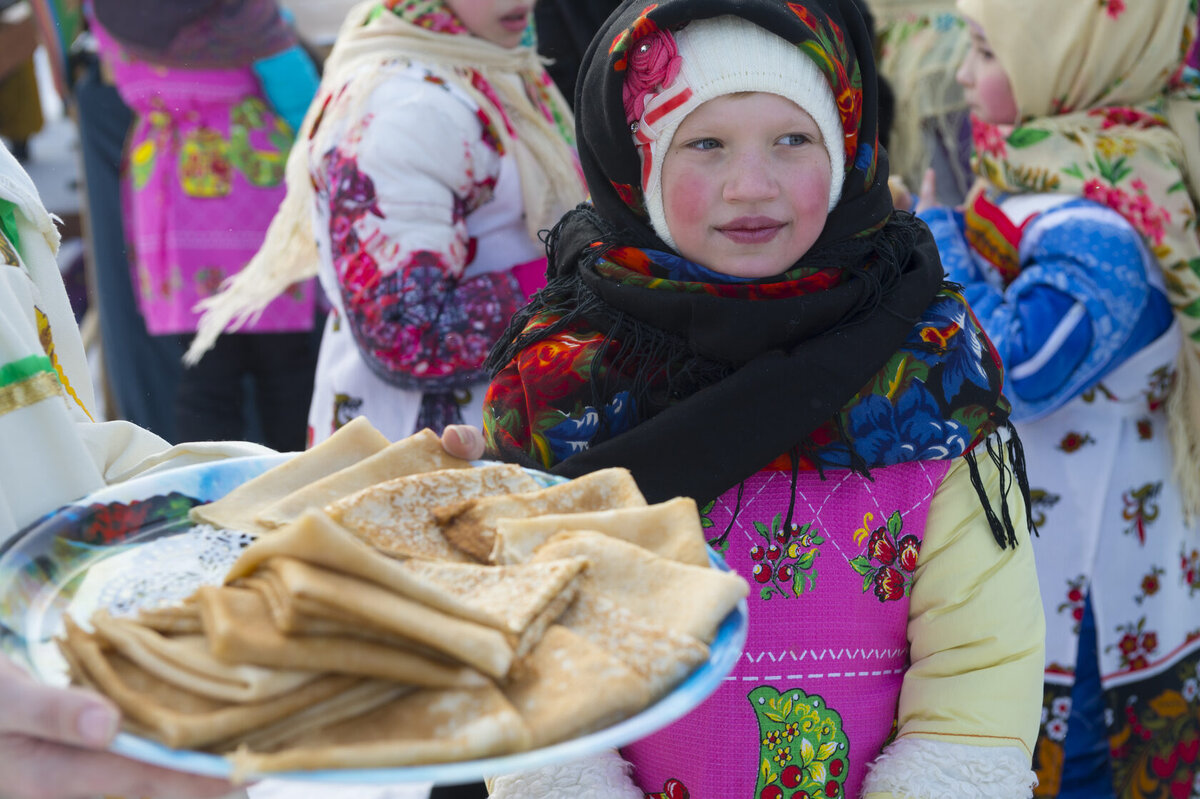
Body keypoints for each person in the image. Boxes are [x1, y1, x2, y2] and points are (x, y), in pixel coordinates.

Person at [476, 0, 1045, 795]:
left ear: (847, 152)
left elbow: (980, 667)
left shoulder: (928, 361)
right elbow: (528, 659)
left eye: (793, 140)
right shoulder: (564, 375)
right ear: (635, 164)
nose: (751, 185)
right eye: (704, 143)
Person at [916, 3, 1200, 797]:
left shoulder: (1105, 218)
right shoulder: (1072, 164)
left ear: (1068, 62)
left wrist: (933, 240)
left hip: (1090, 602)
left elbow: (1018, 369)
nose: (965, 76)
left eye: (985, 51)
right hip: (1073, 559)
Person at [188, 0, 587, 448]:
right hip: (424, 457)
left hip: (498, 431)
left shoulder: (488, 64)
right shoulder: (403, 106)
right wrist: (586, 284)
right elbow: (405, 328)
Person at [89, 0, 321, 452]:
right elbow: (301, 98)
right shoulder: (245, 18)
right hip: (255, 196)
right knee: (287, 367)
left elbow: (115, 77)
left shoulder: (115, 14)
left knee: (205, 371)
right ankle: (296, 490)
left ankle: (213, 492)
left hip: (170, 197)